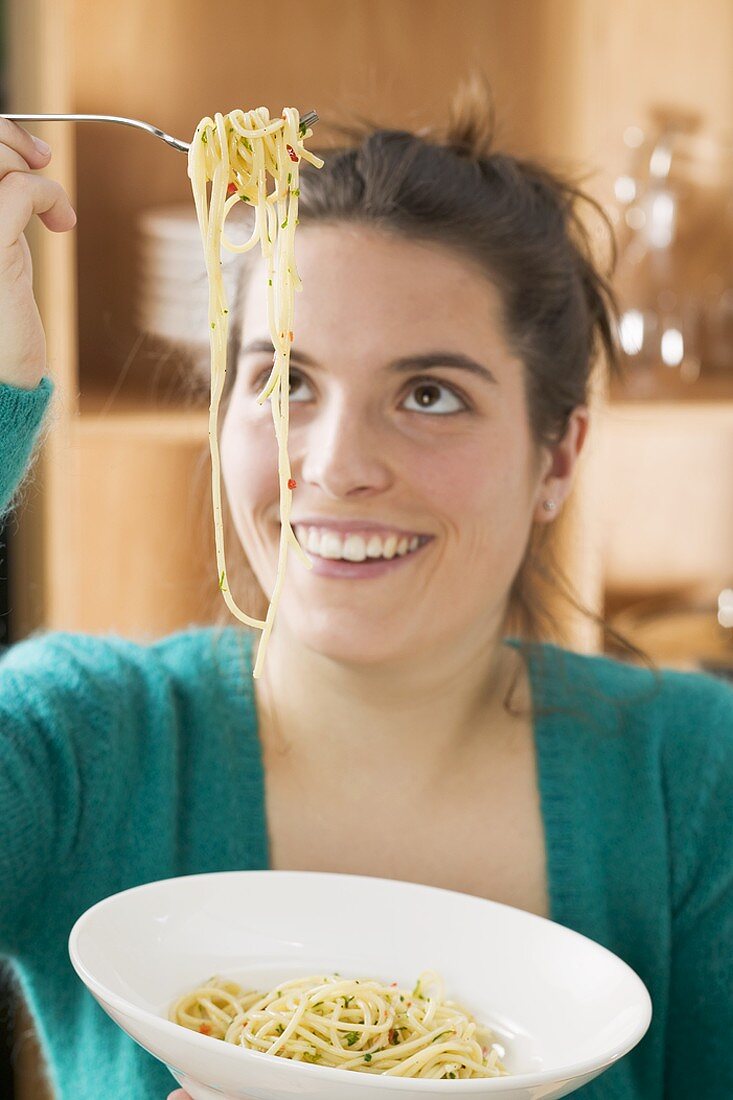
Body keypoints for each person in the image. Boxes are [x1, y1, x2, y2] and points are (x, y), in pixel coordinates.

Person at [0, 83, 731, 1100]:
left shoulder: (696, 776)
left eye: (429, 394)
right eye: (283, 380)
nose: (334, 465)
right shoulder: (75, 742)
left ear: (556, 455)